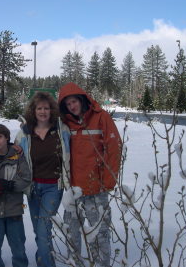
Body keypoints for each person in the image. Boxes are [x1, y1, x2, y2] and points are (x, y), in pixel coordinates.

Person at [58, 82, 122, 267]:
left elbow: (114, 148)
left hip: (96, 189)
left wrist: (108, 180)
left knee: (99, 233)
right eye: (68, 104)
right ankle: (74, 263)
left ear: (82, 100)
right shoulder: (64, 124)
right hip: (73, 190)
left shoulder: (101, 117)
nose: (72, 106)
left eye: (74, 102)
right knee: (72, 233)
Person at [14, 92, 71, 267]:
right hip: (32, 187)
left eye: (46, 108)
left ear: (52, 110)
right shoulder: (24, 132)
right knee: (39, 231)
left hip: (53, 187)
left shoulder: (62, 130)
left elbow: (72, 154)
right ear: (33, 110)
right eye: (39, 108)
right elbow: (15, 157)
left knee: (43, 229)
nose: (43, 111)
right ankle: (43, 259)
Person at [0, 124, 31, 267]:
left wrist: (10, 185)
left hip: (13, 210)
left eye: (0, 137)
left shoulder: (17, 157)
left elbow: (26, 178)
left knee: (18, 247)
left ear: (7, 138)